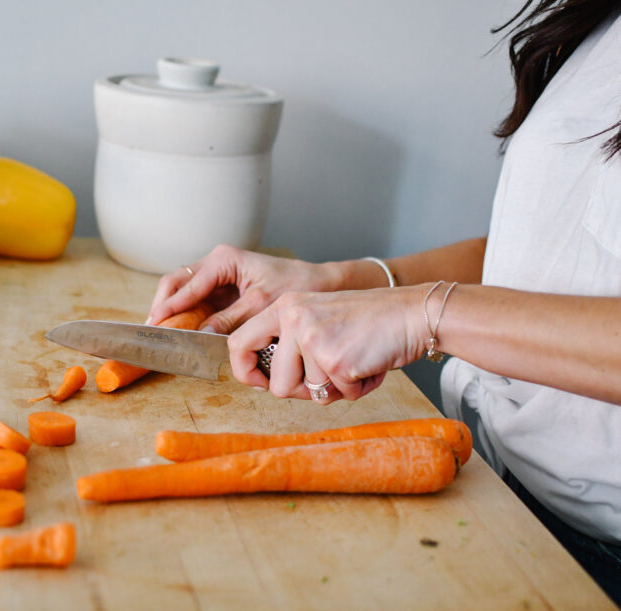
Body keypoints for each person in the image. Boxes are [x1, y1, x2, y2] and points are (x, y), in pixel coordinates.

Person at [146, 0, 621, 604]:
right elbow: (538, 257)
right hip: (510, 503)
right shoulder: (599, 22)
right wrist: (345, 280)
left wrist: (424, 315)